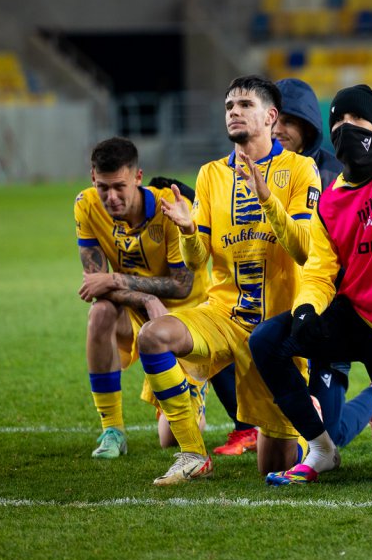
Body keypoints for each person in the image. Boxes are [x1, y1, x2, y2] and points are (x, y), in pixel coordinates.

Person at [137, 75, 321, 485]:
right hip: (223, 314)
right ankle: (192, 454)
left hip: (275, 329)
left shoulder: (300, 169)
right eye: (228, 106)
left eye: (244, 104)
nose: (234, 112)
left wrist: (267, 200)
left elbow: (305, 250)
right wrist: (188, 230)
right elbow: (197, 260)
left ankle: (305, 413)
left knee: (272, 468)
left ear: (270, 116)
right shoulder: (210, 175)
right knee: (153, 336)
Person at [248, 83, 372, 485]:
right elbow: (320, 270)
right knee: (267, 340)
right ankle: (322, 448)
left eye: (356, 118)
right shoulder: (331, 200)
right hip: (355, 316)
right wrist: (306, 309)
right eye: (338, 120)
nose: (346, 127)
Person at [75, 138, 212, 459]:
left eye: (119, 187)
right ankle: (112, 430)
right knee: (100, 312)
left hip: (187, 316)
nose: (111, 197)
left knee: (172, 438)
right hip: (136, 310)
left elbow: (181, 285)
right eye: (102, 187)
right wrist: (145, 298)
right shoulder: (86, 205)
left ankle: (192, 398)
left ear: (138, 177)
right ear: (93, 178)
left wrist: (117, 279)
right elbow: (96, 286)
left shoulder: (170, 208)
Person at [272, 77, 372, 449]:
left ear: (309, 125)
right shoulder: (248, 173)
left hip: (328, 312)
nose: (278, 129)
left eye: (289, 120)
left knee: (328, 437)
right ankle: (246, 426)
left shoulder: (337, 174)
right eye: (274, 119)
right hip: (275, 307)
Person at [150, 177, 255, 457]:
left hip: (211, 319)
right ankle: (222, 427)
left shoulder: (207, 232)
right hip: (171, 326)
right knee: (168, 438)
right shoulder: (150, 236)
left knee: (331, 430)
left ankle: (249, 425)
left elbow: (185, 279)